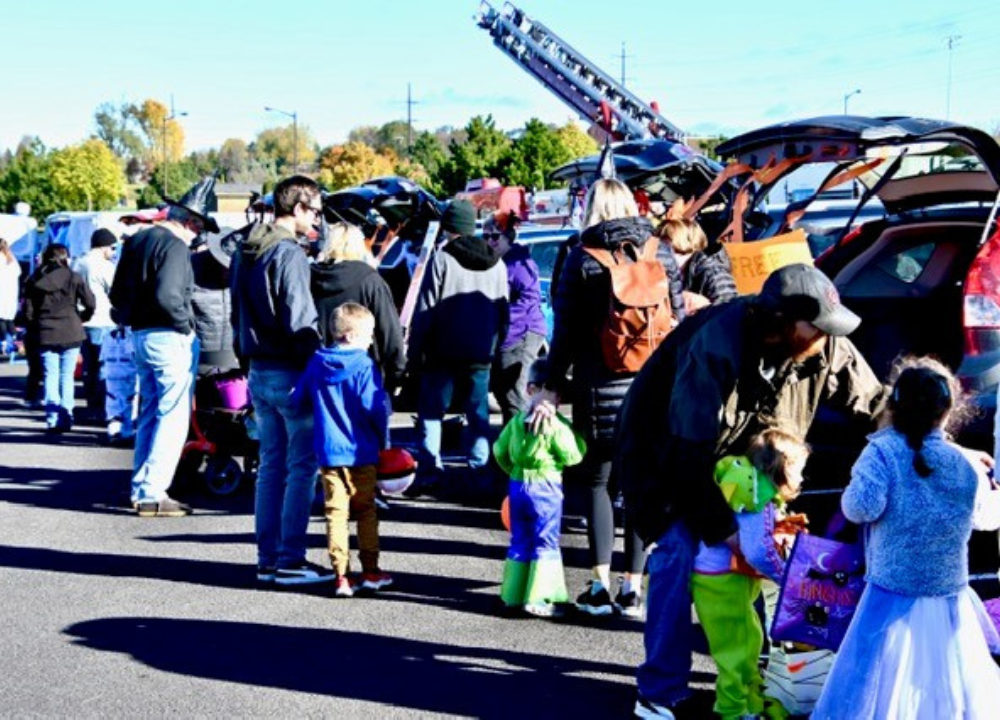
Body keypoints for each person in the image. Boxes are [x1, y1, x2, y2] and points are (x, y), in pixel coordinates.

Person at [616, 263, 885, 719]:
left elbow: (878, 405)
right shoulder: (717, 344)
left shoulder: (824, 341)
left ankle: (749, 678)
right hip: (665, 458)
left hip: (748, 471)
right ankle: (659, 692)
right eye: (817, 326)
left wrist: (937, 448)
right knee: (679, 552)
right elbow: (685, 457)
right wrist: (725, 531)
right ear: (782, 322)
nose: (828, 336)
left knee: (759, 565)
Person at [812, 357, 1000, 719]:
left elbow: (859, 508)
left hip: (891, 590)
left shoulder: (882, 453)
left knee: (880, 678)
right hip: (948, 592)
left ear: (893, 404)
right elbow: (988, 519)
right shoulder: (963, 462)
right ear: (948, 410)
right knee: (946, 678)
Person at [531, 177, 685, 618]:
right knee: (637, 485)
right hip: (654, 387)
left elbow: (564, 334)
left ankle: (598, 587)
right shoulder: (662, 252)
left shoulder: (582, 257)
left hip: (597, 385)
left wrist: (551, 386)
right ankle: (633, 588)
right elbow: (678, 319)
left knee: (596, 484)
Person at [231, 174, 330, 586]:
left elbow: (237, 310)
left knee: (271, 467)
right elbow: (299, 318)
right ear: (300, 208)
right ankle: (290, 559)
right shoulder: (287, 252)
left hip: (258, 367)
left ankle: (268, 558)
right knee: (300, 467)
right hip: (290, 369)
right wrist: (318, 365)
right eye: (317, 211)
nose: (319, 221)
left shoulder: (246, 248)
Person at [110, 180, 216, 517]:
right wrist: (186, 326)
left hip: (141, 334)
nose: (197, 236)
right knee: (171, 417)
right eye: (198, 228)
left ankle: (143, 489)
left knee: (151, 414)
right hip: (169, 335)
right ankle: (153, 491)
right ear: (191, 222)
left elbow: (117, 294)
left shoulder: (138, 240)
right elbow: (169, 296)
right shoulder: (174, 246)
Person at [691, 429, 809, 720]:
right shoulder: (757, 498)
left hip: (724, 578)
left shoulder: (750, 487)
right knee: (737, 650)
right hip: (722, 580)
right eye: (799, 470)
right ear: (780, 467)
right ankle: (732, 709)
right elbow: (757, 551)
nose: (803, 479)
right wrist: (787, 578)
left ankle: (752, 701)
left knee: (750, 639)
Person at [407, 199, 508, 495]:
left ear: (448, 228)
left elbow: (425, 309)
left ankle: (430, 472)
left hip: (442, 353)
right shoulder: (497, 262)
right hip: (480, 354)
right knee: (478, 418)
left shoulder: (442, 258)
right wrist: (495, 346)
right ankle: (480, 474)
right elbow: (504, 313)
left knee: (431, 415)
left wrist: (414, 354)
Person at [292, 302, 392, 598]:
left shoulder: (316, 362)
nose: (371, 340)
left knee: (335, 514)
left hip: (329, 452)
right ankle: (371, 571)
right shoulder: (364, 365)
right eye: (368, 335)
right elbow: (372, 407)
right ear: (350, 335)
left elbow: (298, 399)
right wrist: (383, 431)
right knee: (366, 512)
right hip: (362, 452)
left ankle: (341, 576)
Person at [494, 358, 586, 618]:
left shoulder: (517, 421)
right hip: (546, 486)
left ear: (528, 389)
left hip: (518, 484)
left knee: (520, 540)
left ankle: (512, 595)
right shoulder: (555, 424)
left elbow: (500, 451)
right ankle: (541, 597)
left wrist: (513, 471)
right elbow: (573, 455)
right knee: (546, 541)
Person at [311, 221, 405, 393]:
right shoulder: (369, 279)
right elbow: (389, 329)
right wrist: (396, 372)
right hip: (363, 374)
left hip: (319, 372)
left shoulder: (309, 276)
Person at [484, 211, 548, 424]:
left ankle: (519, 447)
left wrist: (504, 316)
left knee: (515, 393)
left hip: (522, 332)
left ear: (508, 237)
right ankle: (509, 444)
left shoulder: (519, 262)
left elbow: (530, 297)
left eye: (494, 236)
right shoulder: (498, 262)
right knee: (503, 392)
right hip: (507, 335)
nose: (489, 241)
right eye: (485, 236)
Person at [23, 243, 96, 432]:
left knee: (50, 375)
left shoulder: (34, 280)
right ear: (65, 258)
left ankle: (52, 418)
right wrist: (81, 318)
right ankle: (66, 415)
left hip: (45, 332)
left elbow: (28, 312)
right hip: (71, 330)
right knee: (67, 376)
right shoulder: (74, 277)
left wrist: (37, 326)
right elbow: (90, 302)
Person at [73, 228, 119, 420]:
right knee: (103, 365)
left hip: (83, 320)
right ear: (103, 246)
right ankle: (101, 405)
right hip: (102, 319)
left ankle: (91, 401)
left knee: (88, 365)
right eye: (112, 247)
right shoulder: (104, 266)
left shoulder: (78, 262)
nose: (114, 252)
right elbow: (115, 291)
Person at [656, 217, 737, 314]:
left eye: (666, 249)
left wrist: (698, 311)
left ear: (683, 245)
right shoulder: (670, 274)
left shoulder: (713, 272)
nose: (660, 255)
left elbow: (729, 308)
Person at [0, 238, 21, 359]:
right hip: (11, 294)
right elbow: (18, 273)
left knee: (1, 320)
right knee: (8, 320)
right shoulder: (11, 259)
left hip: (2, 294)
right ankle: (13, 341)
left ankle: (4, 344)